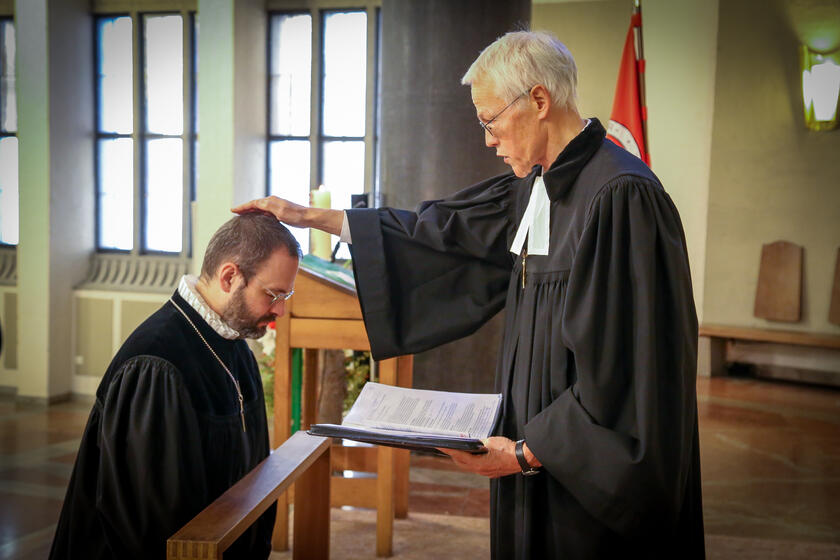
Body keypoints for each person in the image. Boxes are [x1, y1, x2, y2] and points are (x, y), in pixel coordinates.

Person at [235, 30, 704, 558]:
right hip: (531, 458)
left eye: (489, 120)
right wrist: (310, 216)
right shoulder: (535, 186)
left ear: (539, 101)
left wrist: (532, 452)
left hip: (581, 481)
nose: (487, 139)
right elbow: (439, 235)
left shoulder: (621, 197)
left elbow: (632, 371)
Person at [50, 214, 301, 559]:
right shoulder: (157, 364)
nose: (281, 310)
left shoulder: (235, 347)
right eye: (273, 294)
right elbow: (147, 527)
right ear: (230, 277)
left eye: (286, 295)